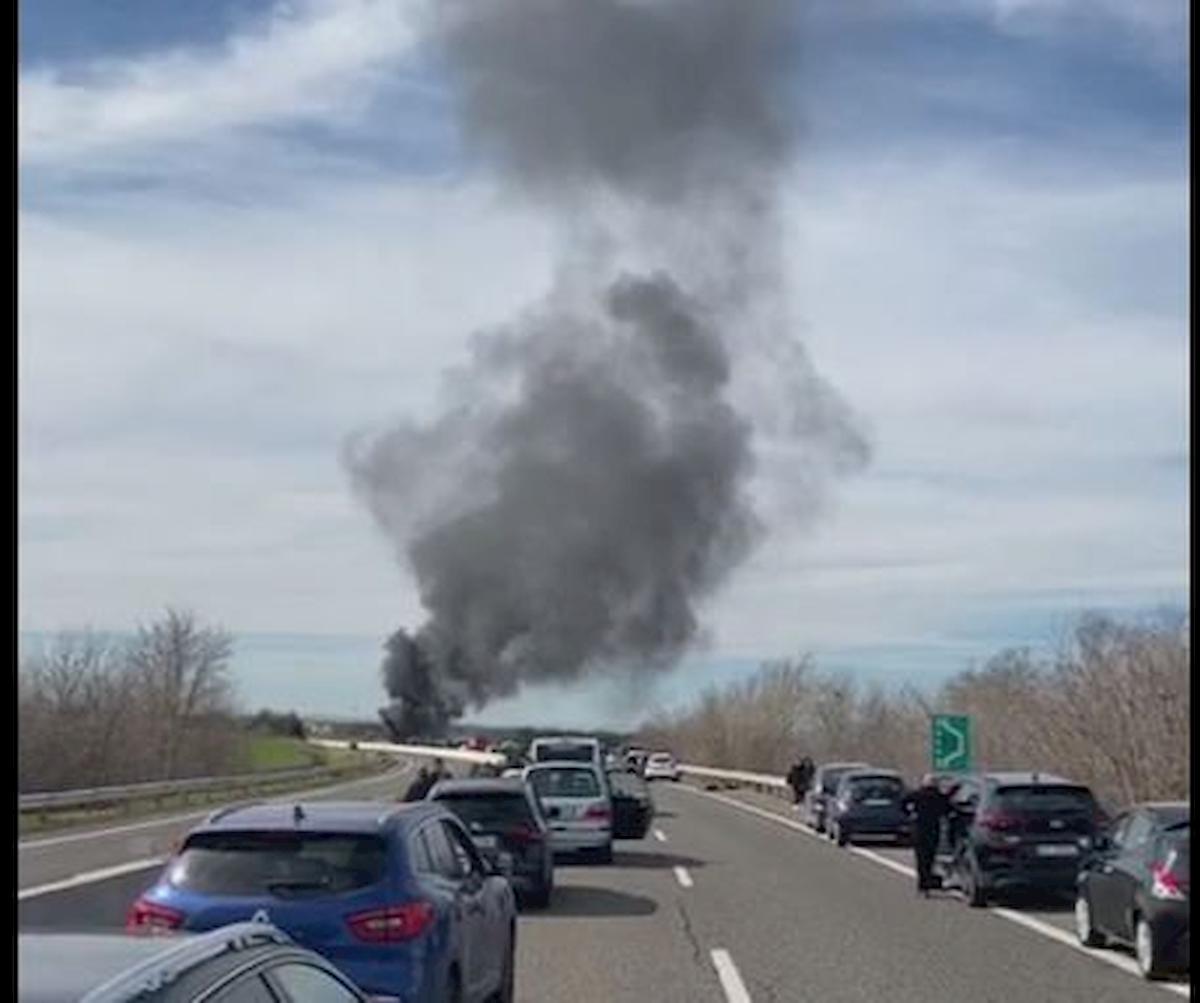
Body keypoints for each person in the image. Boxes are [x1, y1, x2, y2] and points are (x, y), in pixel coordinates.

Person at [902, 773, 954, 896]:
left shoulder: (917, 794)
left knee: (921, 859)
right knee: (930, 858)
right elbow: (948, 810)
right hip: (933, 830)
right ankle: (927, 883)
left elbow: (903, 802)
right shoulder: (939, 796)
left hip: (919, 830)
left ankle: (922, 886)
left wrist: (910, 814)